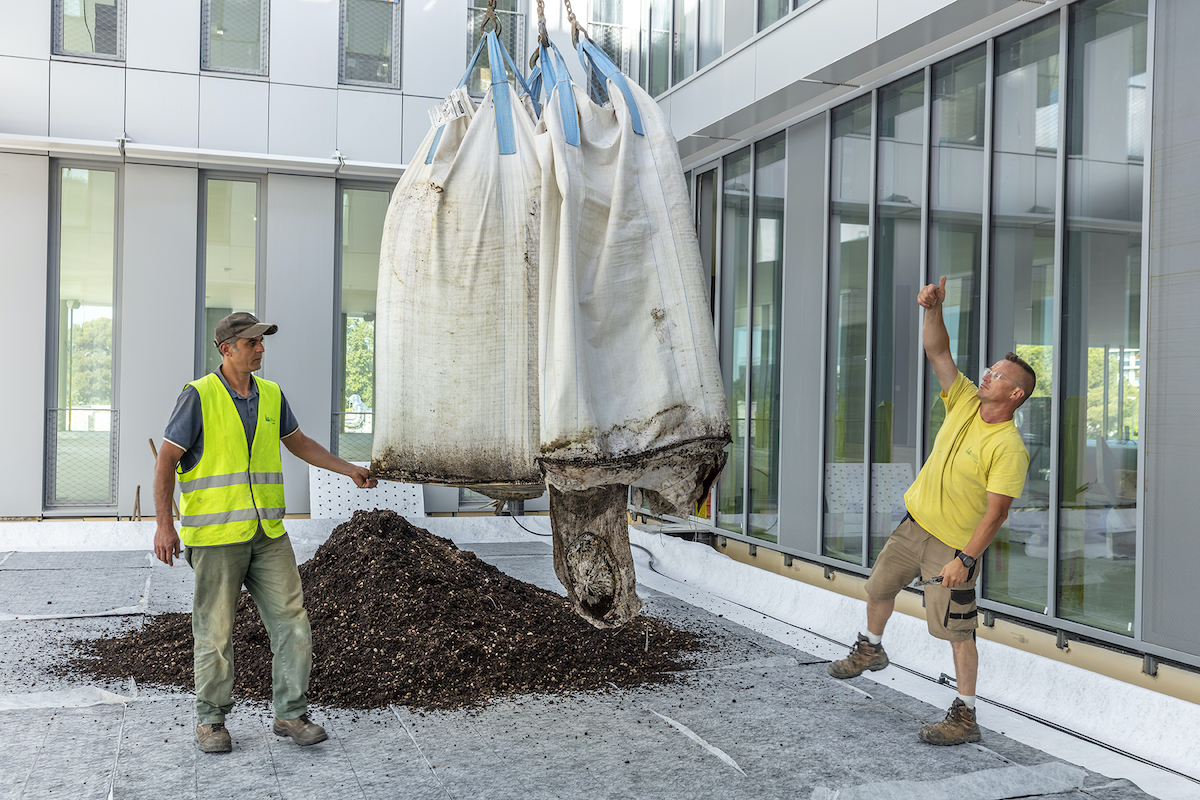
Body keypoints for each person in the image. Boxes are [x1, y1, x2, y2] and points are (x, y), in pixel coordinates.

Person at [152, 312, 377, 755]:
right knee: (215, 632)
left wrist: (348, 468)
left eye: (261, 341)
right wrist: (164, 525)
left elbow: (300, 443)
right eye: (252, 342)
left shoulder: (272, 395)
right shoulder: (198, 396)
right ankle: (211, 721)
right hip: (216, 538)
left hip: (268, 534)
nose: (261, 348)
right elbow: (165, 461)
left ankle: (290, 713)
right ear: (227, 349)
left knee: (293, 623)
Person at [826, 276, 1034, 747]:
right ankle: (871, 650)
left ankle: (966, 716)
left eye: (997, 375)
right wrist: (932, 309)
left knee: (957, 632)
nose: (987, 376)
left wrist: (965, 558)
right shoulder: (963, 401)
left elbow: (997, 513)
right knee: (878, 588)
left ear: (1015, 395)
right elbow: (939, 353)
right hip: (912, 526)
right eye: (990, 370)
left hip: (950, 547)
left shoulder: (1008, 447)